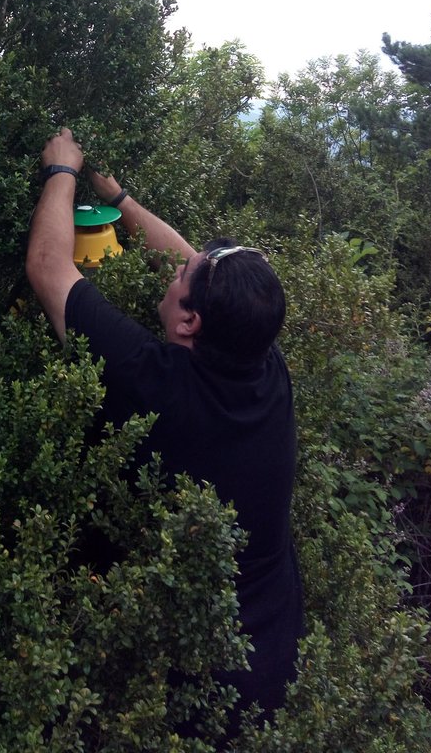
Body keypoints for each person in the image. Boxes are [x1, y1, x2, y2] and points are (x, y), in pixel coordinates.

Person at [26, 127, 304, 738]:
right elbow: (188, 264)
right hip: (274, 654)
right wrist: (121, 202)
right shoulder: (264, 361)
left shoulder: (153, 383)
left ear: (188, 320)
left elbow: (48, 268)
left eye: (185, 278)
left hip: (192, 688)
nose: (176, 271)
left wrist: (61, 174)